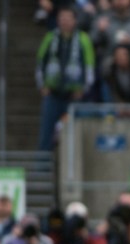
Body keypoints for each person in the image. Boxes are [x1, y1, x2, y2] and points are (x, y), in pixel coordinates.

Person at [36, 5, 96, 151]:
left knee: (73, 136)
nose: (65, 21)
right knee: (46, 135)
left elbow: (89, 67)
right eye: (61, 18)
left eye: (68, 18)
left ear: (75, 20)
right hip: (53, 94)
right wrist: (42, 85)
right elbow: (40, 63)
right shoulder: (50, 37)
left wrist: (84, 89)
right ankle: (41, 171)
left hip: (74, 96)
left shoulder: (83, 39)